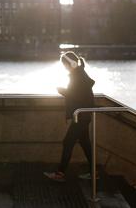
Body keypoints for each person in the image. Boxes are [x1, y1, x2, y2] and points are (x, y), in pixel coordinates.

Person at [44, 51, 96, 182]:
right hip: (83, 114)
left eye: (65, 65)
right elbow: (79, 93)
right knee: (85, 144)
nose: (64, 67)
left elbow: (76, 95)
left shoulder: (77, 76)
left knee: (68, 142)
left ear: (71, 63)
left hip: (81, 116)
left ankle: (60, 174)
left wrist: (62, 91)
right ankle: (93, 172)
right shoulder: (79, 74)